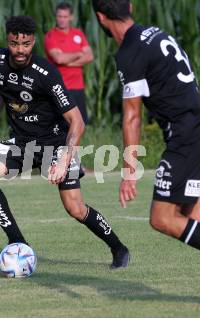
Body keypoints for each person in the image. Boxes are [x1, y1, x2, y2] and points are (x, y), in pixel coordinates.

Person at [0, 16, 130, 269]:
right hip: (22, 141)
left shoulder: (45, 73)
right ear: (7, 41)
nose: (20, 50)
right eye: (14, 43)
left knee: (75, 208)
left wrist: (64, 159)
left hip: (55, 142)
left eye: (26, 44)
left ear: (33, 41)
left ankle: (119, 248)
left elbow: (77, 122)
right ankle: (18, 245)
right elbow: (4, 87)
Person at [92, 1, 200, 252]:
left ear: (100, 17)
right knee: (191, 215)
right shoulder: (157, 32)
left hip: (186, 136)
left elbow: (133, 116)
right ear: (130, 6)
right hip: (195, 126)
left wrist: (130, 172)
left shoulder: (130, 51)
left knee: (162, 217)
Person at [44, 2, 94, 123]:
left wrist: (68, 61)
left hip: (77, 86)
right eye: (59, 16)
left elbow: (90, 56)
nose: (62, 20)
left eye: (65, 17)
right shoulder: (51, 36)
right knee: (61, 123)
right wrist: (78, 54)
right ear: (56, 17)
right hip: (60, 86)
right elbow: (59, 59)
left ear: (71, 17)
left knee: (80, 122)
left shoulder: (78, 34)